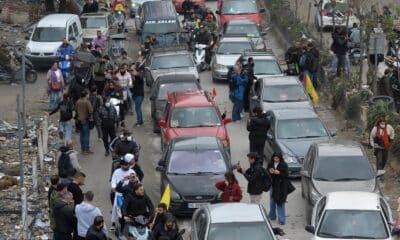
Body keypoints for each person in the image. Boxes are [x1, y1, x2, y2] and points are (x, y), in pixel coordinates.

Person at [110, 155, 135, 230]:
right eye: (124, 165)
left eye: (127, 164)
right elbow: (113, 181)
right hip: (119, 193)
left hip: (129, 193)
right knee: (115, 207)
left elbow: (137, 181)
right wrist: (113, 187)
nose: (126, 166)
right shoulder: (117, 172)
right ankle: (113, 223)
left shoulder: (132, 172)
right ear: (121, 165)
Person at [267, 153, 289, 225]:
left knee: (280, 202)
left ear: (280, 158)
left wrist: (279, 173)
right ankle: (272, 216)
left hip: (281, 186)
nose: (275, 160)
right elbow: (267, 173)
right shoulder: (270, 164)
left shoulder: (284, 165)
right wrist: (270, 172)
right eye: (274, 158)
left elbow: (286, 175)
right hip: (273, 185)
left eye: (277, 158)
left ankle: (281, 219)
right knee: (272, 202)